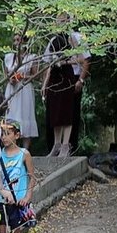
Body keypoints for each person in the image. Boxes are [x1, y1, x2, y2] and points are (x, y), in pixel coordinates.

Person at [40, 25, 89, 157]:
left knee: (66, 111)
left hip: (67, 76)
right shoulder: (53, 40)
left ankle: (66, 145)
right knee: (55, 112)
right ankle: (56, 144)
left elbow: (82, 59)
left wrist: (65, 62)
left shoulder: (73, 38)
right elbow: (49, 64)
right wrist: (45, 84)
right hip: (54, 77)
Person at [0, 119, 38, 233]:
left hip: (18, 201)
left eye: (8, 134)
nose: (4, 137)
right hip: (1, 200)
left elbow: (32, 177)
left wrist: (27, 197)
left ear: (17, 135)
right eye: (2, 134)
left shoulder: (24, 154)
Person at [3, 33, 41, 144]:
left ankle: (25, 149)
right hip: (12, 90)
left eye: (18, 40)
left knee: (25, 115)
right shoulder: (9, 57)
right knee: (11, 115)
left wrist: (23, 76)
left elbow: (36, 75)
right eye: (14, 40)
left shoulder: (31, 57)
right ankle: (10, 145)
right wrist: (10, 79)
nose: (16, 43)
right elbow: (6, 75)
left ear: (24, 41)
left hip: (25, 89)